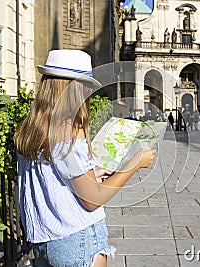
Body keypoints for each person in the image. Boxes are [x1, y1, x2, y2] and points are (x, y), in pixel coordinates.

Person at [14, 50, 156, 267]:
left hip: (43, 240)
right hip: (76, 238)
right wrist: (135, 163)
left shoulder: (32, 128)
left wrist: (92, 175)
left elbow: (52, 177)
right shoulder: (68, 130)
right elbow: (92, 199)